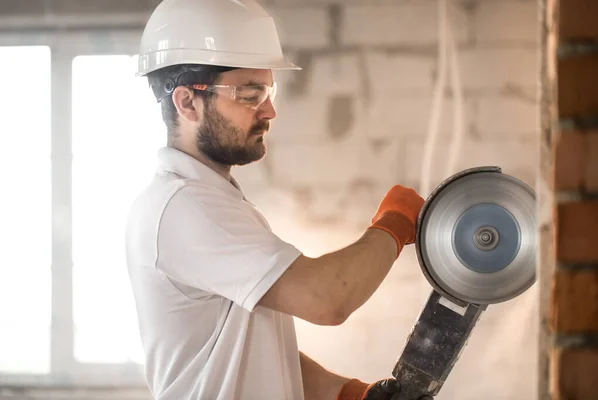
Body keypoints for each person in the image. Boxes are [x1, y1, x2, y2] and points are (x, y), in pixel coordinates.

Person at [126, 0, 429, 399]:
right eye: (250, 94)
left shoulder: (211, 202)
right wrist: (395, 221)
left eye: (270, 91)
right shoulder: (185, 208)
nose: (269, 110)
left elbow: (253, 352)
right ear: (187, 102)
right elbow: (328, 298)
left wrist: (350, 393)